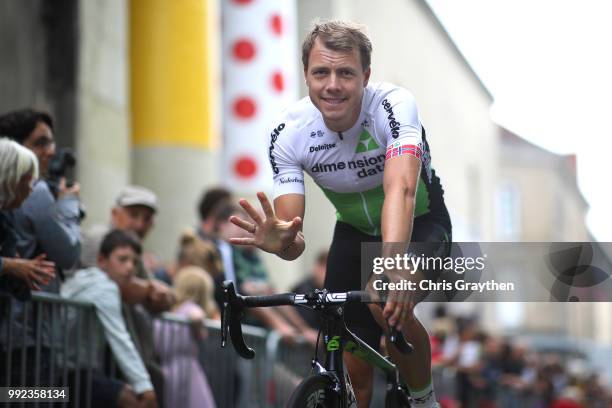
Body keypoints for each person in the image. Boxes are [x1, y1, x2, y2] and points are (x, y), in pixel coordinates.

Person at [229, 21, 451, 408]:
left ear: (365, 75)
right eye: (321, 72)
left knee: (384, 300)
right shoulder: (289, 131)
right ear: (306, 76)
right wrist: (281, 241)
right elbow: (293, 236)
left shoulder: (393, 106)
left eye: (345, 72)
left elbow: (400, 188)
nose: (332, 85)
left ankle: (423, 399)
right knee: (347, 348)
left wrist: (392, 262)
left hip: (420, 223)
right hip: (352, 232)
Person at [0, 108, 81, 388]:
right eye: (40, 143)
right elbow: (69, 253)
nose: (51, 151)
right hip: (27, 338)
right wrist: (69, 206)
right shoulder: (38, 190)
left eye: (51, 142)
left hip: (21, 333)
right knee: (39, 397)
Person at [78, 185, 174, 406]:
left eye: (146, 219)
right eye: (134, 215)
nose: (140, 224)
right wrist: (144, 386)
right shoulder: (101, 240)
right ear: (103, 261)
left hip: (93, 361)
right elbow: (124, 288)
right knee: (23, 393)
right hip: (77, 362)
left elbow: (156, 297)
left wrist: (157, 293)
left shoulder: (129, 247)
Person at [61, 229, 158, 408]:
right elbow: (120, 338)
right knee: (135, 402)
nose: (130, 267)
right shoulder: (104, 287)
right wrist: (145, 387)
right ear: (101, 261)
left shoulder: (85, 280)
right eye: (122, 259)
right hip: (61, 381)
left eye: (134, 262)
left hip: (58, 376)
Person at [154, 266, 218, 408]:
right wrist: (201, 331)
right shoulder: (191, 309)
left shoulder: (171, 312)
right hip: (187, 370)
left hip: (166, 368)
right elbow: (197, 316)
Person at [0, 137, 55, 297]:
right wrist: (10, 266)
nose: (31, 189)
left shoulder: (6, 220)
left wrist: (23, 274)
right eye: (29, 180)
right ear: (11, 178)